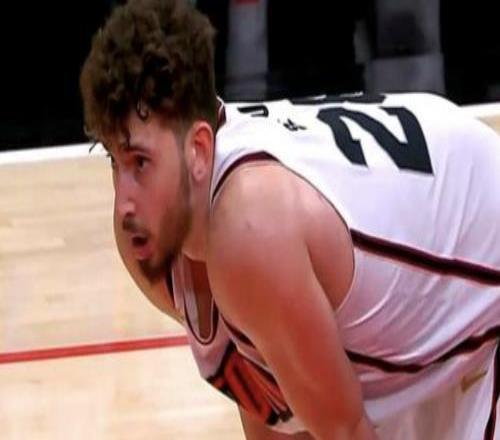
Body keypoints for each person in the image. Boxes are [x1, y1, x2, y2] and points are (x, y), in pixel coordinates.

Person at [79, 0, 500, 438]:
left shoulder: (250, 227)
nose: (124, 202)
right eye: (113, 160)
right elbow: (274, 400)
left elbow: (345, 430)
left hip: (478, 236)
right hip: (426, 257)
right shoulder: (160, 238)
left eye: (140, 162)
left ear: (199, 150)